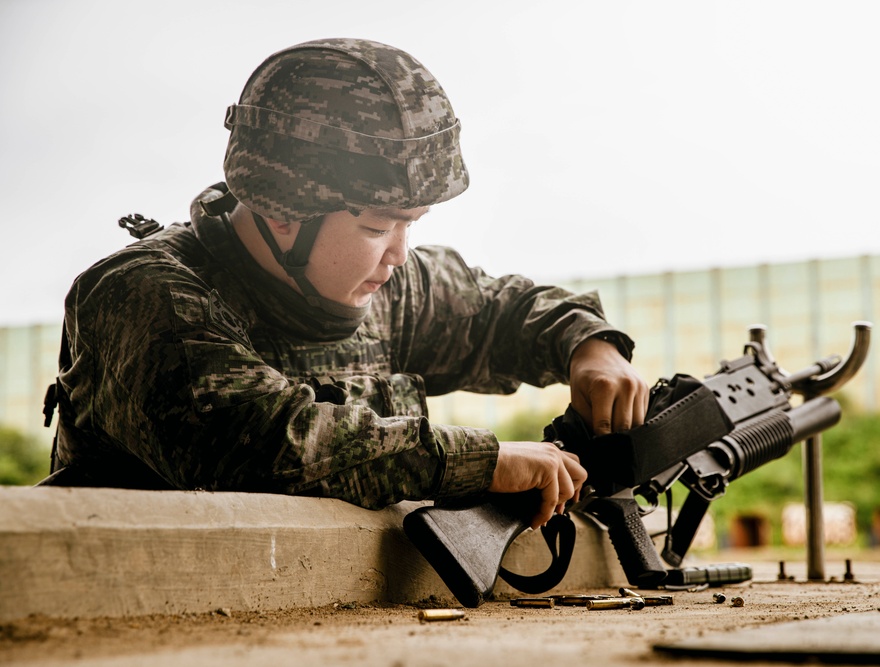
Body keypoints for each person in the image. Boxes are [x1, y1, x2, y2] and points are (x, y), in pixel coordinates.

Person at [41, 38, 647, 530]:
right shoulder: (144, 295)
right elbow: (265, 445)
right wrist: (482, 462)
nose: (397, 255)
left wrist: (588, 346)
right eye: (377, 224)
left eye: (412, 224)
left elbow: (503, 310)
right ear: (283, 210)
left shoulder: (392, 288)